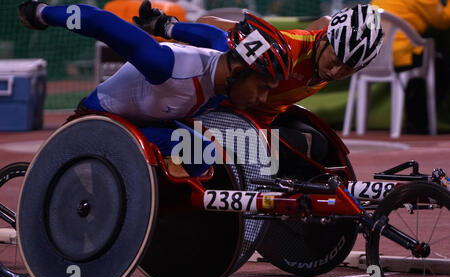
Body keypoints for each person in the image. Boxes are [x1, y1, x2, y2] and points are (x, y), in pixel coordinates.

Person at [17, 0, 293, 177]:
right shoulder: (166, 67)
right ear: (237, 73)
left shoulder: (227, 54)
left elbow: (212, 35)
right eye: (262, 87)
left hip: (144, 124)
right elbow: (100, 22)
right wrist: (42, 13)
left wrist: (166, 25)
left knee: (202, 154)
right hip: (99, 122)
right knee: (197, 151)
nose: (263, 98)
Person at [133, 1, 385, 177]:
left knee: (320, 147)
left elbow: (325, 21)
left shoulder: (326, 34)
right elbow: (209, 24)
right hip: (221, 120)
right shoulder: (284, 47)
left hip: (259, 123)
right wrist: (167, 27)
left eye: (349, 69)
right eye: (336, 60)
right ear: (326, 39)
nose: (337, 72)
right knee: (294, 147)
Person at [371, 0, 450, 133]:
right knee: (439, 65)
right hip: (401, 54)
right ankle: (418, 122)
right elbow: (443, 21)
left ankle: (414, 121)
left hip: (374, 55)